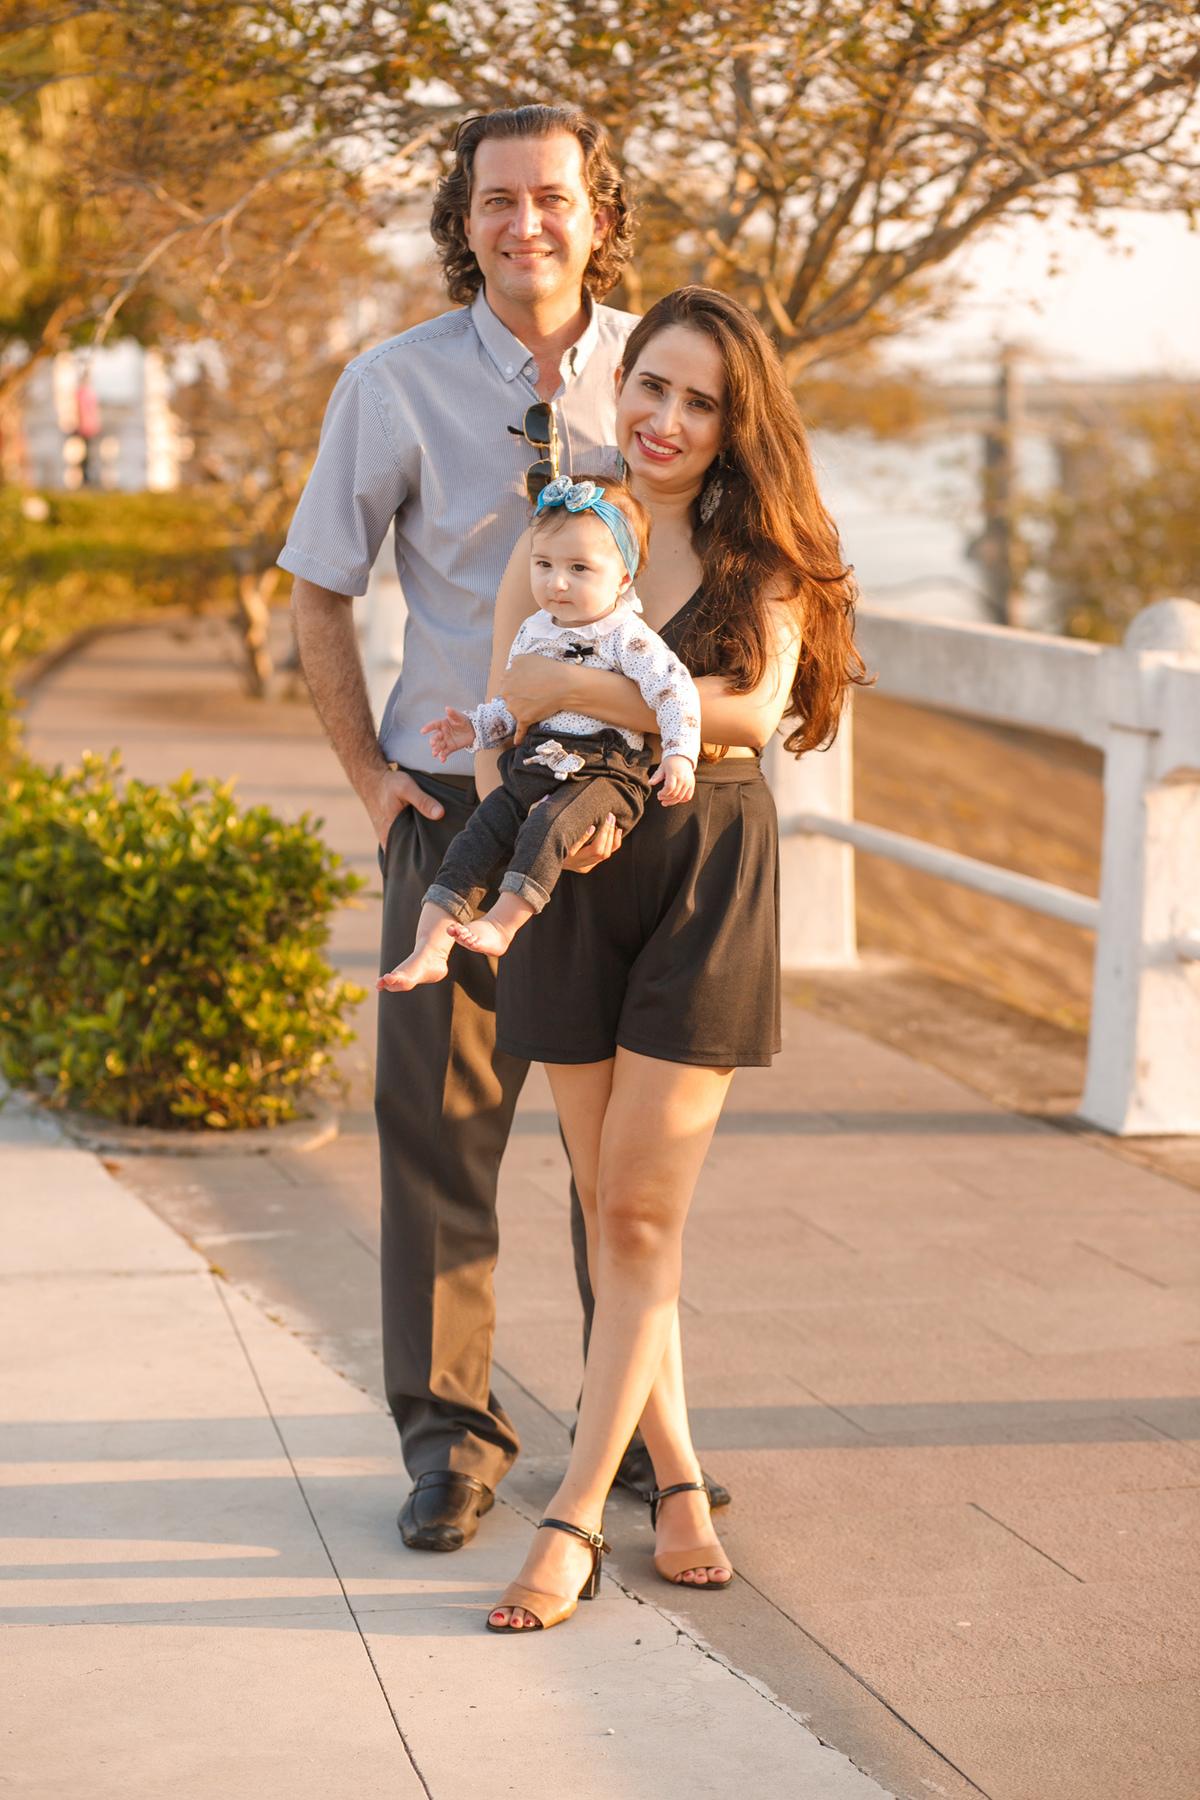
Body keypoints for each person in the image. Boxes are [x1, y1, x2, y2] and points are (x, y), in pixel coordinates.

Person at [283, 105, 724, 1553]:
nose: (522, 222)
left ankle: (643, 1446)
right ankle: (450, 1440)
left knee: (624, 1166)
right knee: (442, 1136)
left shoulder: (662, 373)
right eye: (495, 200)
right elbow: (320, 586)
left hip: (621, 823)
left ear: (603, 210)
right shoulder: (391, 383)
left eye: (552, 197)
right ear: (460, 217)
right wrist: (369, 779)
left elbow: (754, 531)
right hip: (461, 818)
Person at [475, 286, 866, 1631]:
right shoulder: (574, 527)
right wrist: (510, 794)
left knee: (640, 1214)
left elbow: (751, 710)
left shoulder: (759, 553)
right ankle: (683, 1477)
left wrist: (585, 692)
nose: (668, 419)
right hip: (572, 878)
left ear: (733, 420)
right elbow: (495, 704)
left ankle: (578, 1514)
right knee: (608, 1206)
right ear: (619, 381)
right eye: (653, 386)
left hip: (706, 880)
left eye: (701, 401)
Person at [377, 475, 699, 989]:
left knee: (547, 824)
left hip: (604, 773)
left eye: (578, 569)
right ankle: (428, 946)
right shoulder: (535, 630)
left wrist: (680, 754)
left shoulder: (627, 637)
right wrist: (475, 729)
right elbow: (514, 707)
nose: (557, 583)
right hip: (537, 759)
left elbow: (674, 691)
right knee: (476, 834)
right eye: (544, 565)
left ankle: (503, 925)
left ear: (622, 578)